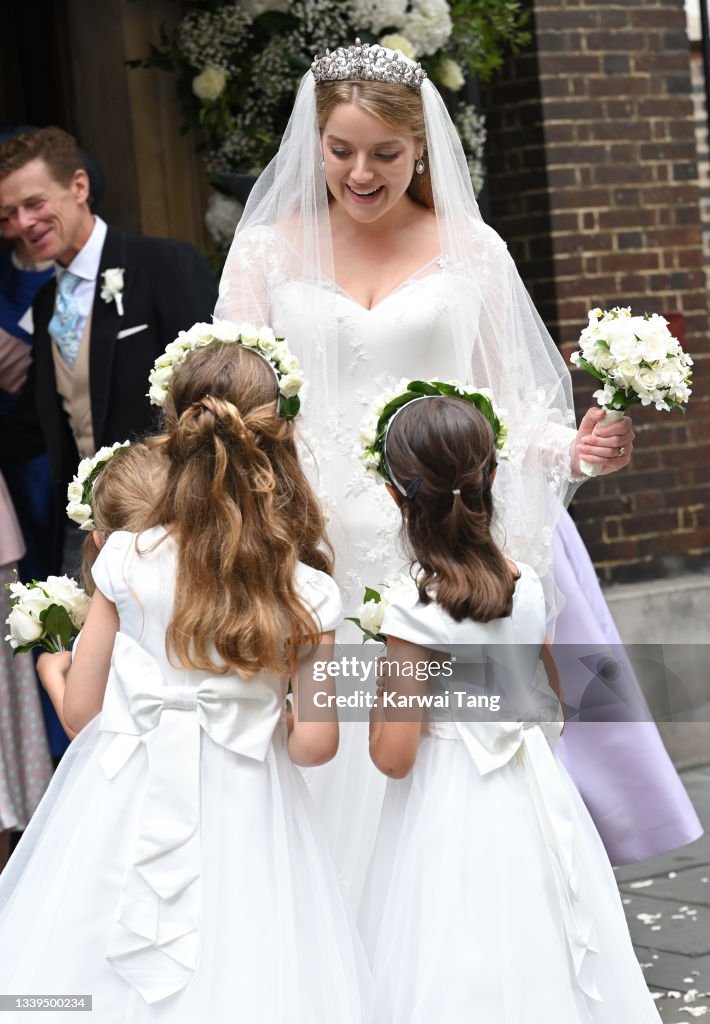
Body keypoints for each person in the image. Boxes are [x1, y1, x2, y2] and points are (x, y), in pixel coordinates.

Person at [214, 41, 701, 900]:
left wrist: (575, 448)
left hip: (437, 543)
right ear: (313, 141)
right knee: (325, 739)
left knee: (436, 757)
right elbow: (233, 403)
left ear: (422, 149)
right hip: (315, 546)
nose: (360, 173)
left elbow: (510, 407)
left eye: (385, 155)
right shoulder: (264, 253)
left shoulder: (470, 248)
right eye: (340, 150)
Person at [0, 332, 370, 1021]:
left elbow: (82, 715)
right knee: (247, 961)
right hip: (250, 801)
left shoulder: (124, 561)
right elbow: (315, 746)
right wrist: (265, 710)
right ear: (278, 434)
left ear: (173, 429)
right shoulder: (310, 592)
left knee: (92, 957)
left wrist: (56, 666)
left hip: (126, 791)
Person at [358, 388, 662, 1022]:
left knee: (451, 940)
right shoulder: (527, 583)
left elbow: (393, 756)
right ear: (492, 475)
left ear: (394, 494)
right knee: (545, 922)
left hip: (445, 802)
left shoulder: (412, 611)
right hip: (532, 788)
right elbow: (571, 700)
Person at [0, 127, 218, 575]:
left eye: (34, 204)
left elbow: (214, 393)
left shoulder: (164, 264)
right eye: (7, 215)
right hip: (86, 532)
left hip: (173, 522)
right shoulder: (45, 304)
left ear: (79, 187)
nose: (22, 224)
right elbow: (41, 424)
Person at [37, 440, 167, 740]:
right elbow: (302, 744)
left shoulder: (114, 595)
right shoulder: (222, 583)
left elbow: (84, 725)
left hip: (135, 776)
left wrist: (52, 675)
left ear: (98, 539)